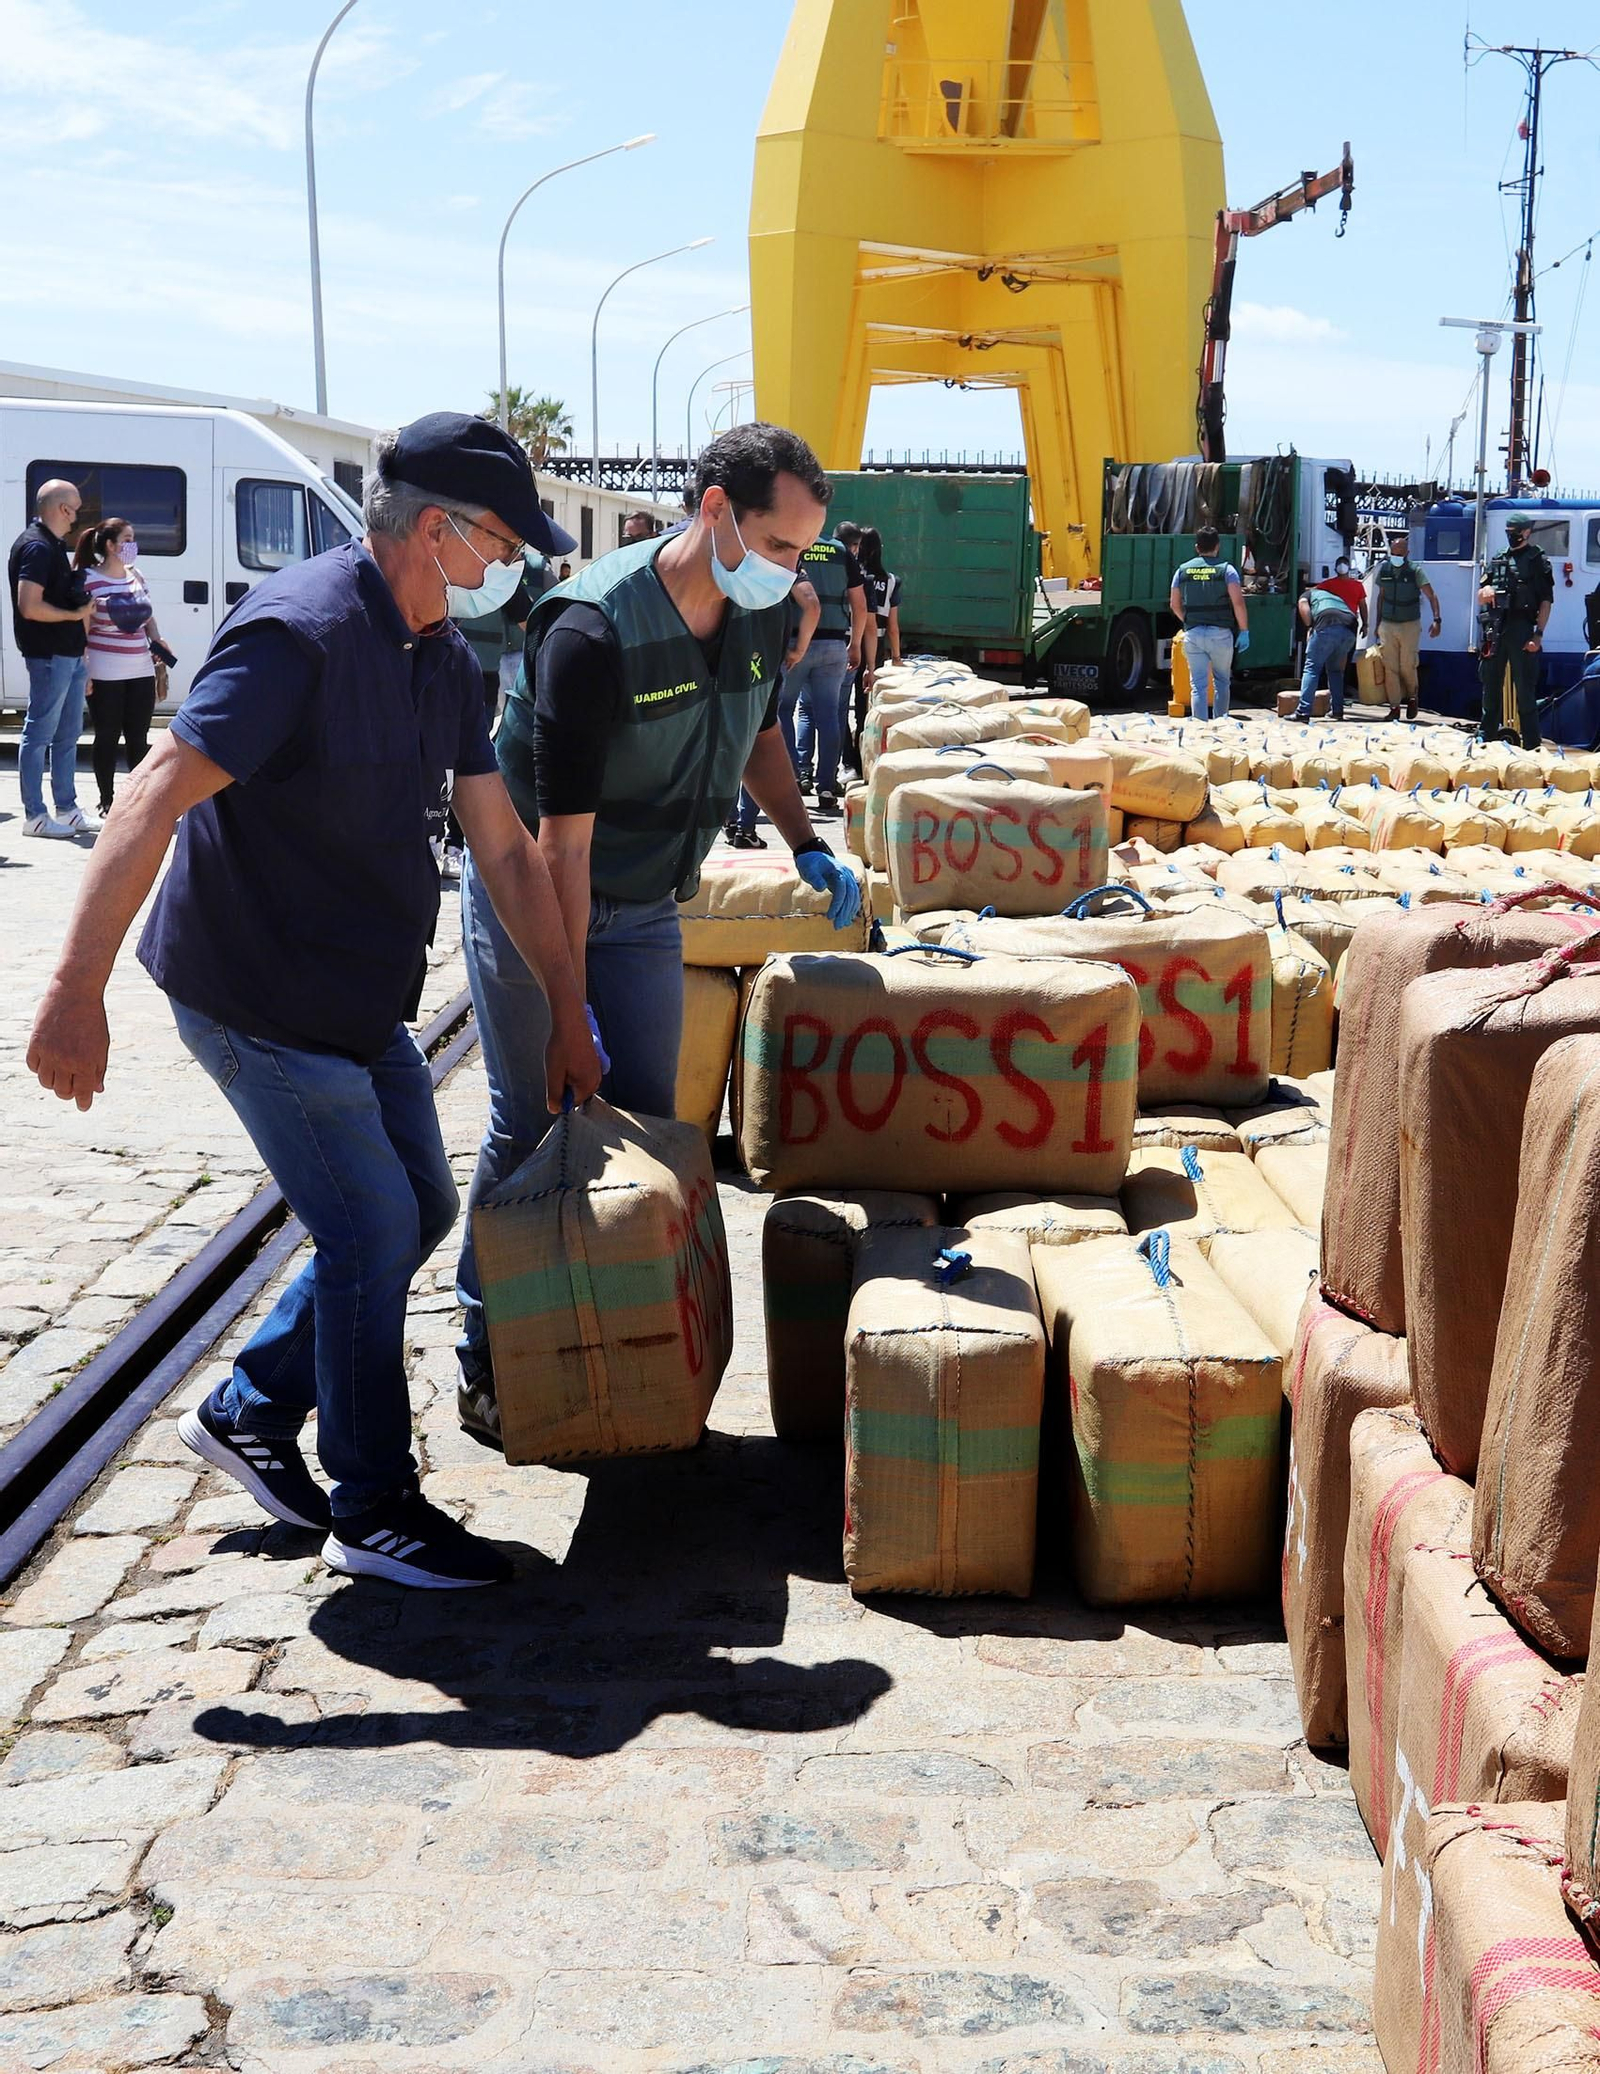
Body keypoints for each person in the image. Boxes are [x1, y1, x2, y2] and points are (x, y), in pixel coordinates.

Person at [26, 412, 600, 1592]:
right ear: (434, 530)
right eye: (501, 542)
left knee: (422, 1205)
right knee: (369, 1225)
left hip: (353, 994)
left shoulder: (444, 656)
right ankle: (373, 1502)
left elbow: (501, 850)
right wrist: (72, 988)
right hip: (256, 994)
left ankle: (246, 1407)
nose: (513, 568)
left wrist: (568, 1005)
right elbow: (151, 795)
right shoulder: (301, 634)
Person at [455, 420, 862, 1444]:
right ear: (716, 511)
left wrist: (806, 840)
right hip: (538, 886)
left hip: (642, 898)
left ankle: (613, 1334)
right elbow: (559, 850)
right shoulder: (592, 632)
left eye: (804, 552)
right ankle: (487, 1346)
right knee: (539, 1107)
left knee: (638, 1115)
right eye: (778, 545)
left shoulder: (764, 614)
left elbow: (761, 729)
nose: (790, 570)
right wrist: (564, 1006)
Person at [8, 478, 94, 838]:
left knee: (68, 734)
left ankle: (67, 807)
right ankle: (35, 816)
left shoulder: (51, 545)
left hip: (68, 654)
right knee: (39, 734)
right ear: (63, 509)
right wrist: (74, 615)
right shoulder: (37, 548)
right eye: (75, 510)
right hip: (49, 655)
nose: (76, 519)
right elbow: (29, 606)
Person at [75, 518, 166, 818]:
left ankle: (137, 800)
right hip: (105, 671)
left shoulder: (136, 575)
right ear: (111, 545)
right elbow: (82, 628)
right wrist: (85, 666)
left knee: (139, 738)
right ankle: (107, 800)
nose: (133, 545)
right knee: (107, 736)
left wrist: (158, 645)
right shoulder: (87, 579)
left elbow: (149, 618)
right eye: (127, 539)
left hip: (140, 667)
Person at [726, 575, 819, 848]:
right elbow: (812, 605)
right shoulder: (780, 571)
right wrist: (799, 649)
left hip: (727, 659)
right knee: (761, 733)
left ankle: (730, 819)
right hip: (763, 658)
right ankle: (745, 826)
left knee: (730, 740)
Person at [785, 529, 868, 812]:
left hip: (795, 642)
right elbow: (860, 604)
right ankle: (827, 787)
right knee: (829, 713)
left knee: (786, 711)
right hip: (834, 644)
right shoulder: (841, 552)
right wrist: (854, 644)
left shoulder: (793, 545)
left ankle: (793, 780)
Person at [1478, 516, 1555, 750]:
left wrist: (1538, 635)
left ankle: (1532, 744)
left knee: (1525, 690)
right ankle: (1485, 739)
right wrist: (1486, 590)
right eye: (1508, 531)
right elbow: (1481, 593)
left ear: (1527, 532)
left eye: (1516, 531)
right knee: (1490, 684)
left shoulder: (1537, 560)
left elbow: (1545, 601)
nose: (1511, 535)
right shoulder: (1499, 557)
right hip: (1496, 626)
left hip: (1522, 628)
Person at [1169, 526, 1248, 720]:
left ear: (1197, 547)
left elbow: (1174, 603)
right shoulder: (1227, 570)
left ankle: (1199, 728)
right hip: (1220, 635)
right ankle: (1221, 724)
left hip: (1193, 634)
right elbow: (1238, 603)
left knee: (1198, 684)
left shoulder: (1182, 570)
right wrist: (1244, 630)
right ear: (1217, 546)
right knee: (1221, 681)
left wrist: (1187, 621)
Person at [1371, 529, 1442, 723]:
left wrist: (1437, 619)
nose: (1396, 557)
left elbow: (1431, 595)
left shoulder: (1415, 571)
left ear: (1407, 554)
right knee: (1389, 667)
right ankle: (1394, 707)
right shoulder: (1384, 570)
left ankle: (1412, 696)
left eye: (1399, 554)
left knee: (1407, 665)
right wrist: (1377, 625)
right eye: (1393, 554)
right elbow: (1381, 597)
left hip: (1409, 624)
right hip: (1387, 624)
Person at [1292, 560, 1366, 723]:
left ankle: (1303, 711)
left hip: (1327, 627)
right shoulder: (1333, 597)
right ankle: (1337, 710)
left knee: (1312, 668)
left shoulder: (1309, 594)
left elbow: (1303, 607)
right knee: (1335, 671)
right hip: (1349, 629)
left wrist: (1310, 626)